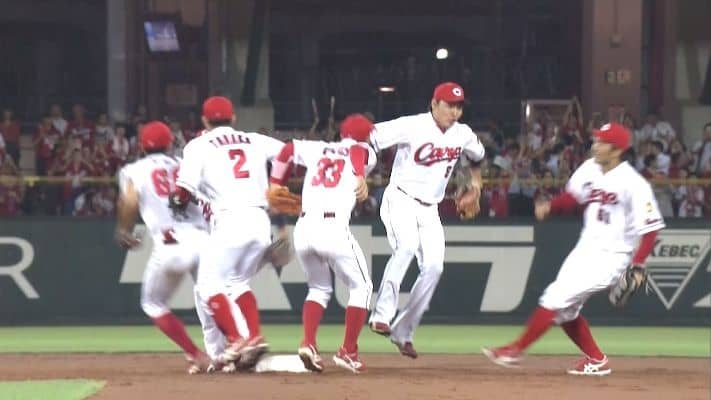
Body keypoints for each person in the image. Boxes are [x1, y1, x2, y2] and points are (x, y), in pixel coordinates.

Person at [483, 123, 665, 376]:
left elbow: (651, 229)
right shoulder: (589, 168)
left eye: (602, 142)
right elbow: (573, 197)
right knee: (567, 311)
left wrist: (638, 262)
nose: (595, 146)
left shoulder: (634, 183)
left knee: (554, 297)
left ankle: (515, 350)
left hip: (612, 257)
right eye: (596, 140)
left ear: (616, 150)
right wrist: (551, 206)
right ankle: (597, 359)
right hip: (585, 248)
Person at [368, 82, 485, 358]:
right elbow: (370, 137)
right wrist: (362, 173)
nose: (455, 112)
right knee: (407, 246)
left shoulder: (463, 134)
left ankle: (403, 332)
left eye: (459, 107)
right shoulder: (412, 125)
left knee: (434, 267)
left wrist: (476, 187)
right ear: (434, 104)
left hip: (430, 209)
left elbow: (477, 158)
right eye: (449, 105)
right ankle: (381, 314)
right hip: (400, 199)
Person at [170, 96, 283, 368]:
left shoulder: (198, 145)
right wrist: (277, 182)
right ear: (233, 118)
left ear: (204, 120)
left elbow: (183, 191)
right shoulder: (255, 140)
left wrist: (176, 203)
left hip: (230, 219)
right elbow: (289, 153)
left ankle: (236, 339)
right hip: (260, 220)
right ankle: (253, 337)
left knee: (207, 285)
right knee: (236, 282)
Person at [269, 114, 376, 374]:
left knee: (318, 288)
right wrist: (359, 175)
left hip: (304, 228)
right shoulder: (364, 150)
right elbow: (357, 152)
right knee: (362, 288)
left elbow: (287, 149)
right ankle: (348, 351)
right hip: (332, 227)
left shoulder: (317, 148)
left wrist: (275, 184)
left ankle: (308, 343)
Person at [115, 121, 211, 373]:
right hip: (204, 238)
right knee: (213, 297)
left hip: (170, 244)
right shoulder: (185, 165)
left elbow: (130, 201)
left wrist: (123, 230)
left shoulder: (134, 170)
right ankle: (232, 348)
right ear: (170, 144)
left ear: (141, 146)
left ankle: (196, 354)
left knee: (153, 303)